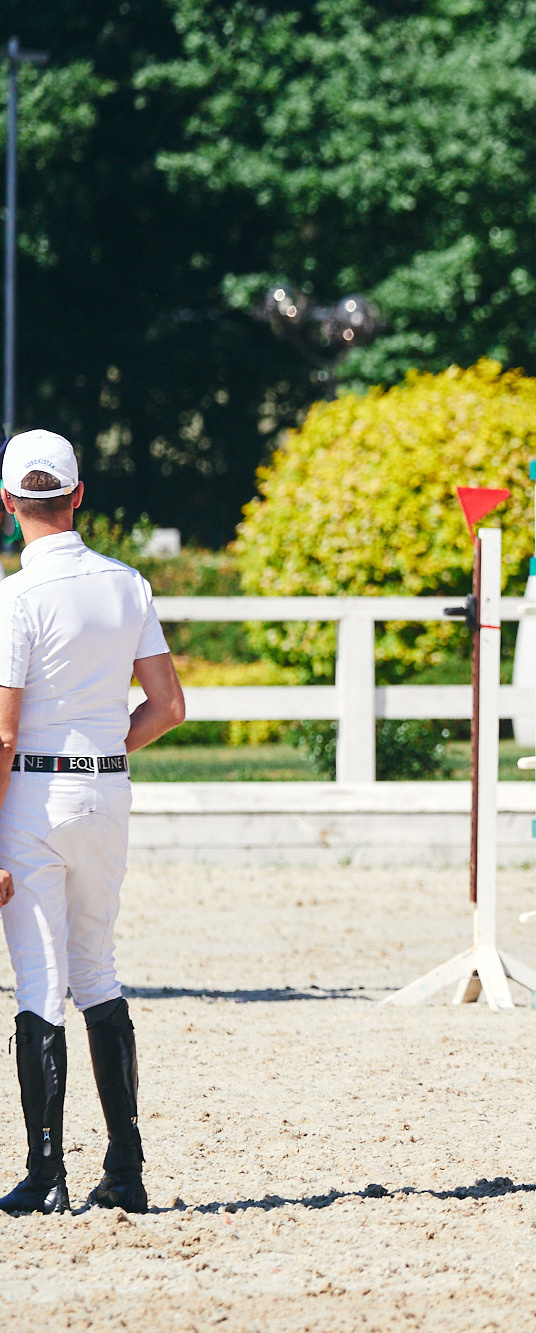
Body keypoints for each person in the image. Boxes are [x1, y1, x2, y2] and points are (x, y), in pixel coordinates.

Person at [0, 430, 186, 1215]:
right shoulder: (126, 584)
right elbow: (170, 707)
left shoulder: (15, 598)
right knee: (99, 972)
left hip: (34, 798)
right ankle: (127, 1166)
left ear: (9, 504)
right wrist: (105, 749)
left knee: (42, 982)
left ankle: (47, 1176)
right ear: (78, 495)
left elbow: (4, 733)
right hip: (107, 792)